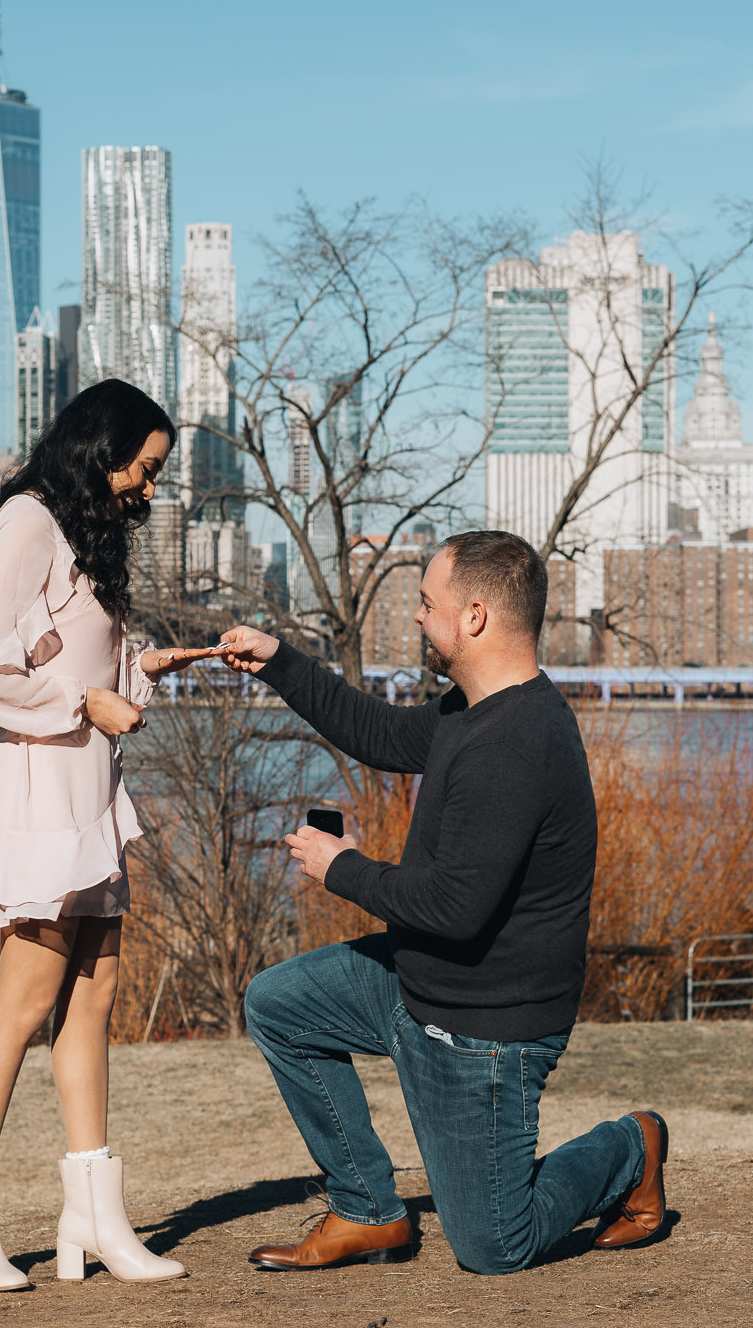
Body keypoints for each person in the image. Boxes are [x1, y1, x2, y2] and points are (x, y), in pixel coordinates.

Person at [215, 531, 667, 1276]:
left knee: (495, 1246)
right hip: (416, 983)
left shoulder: (518, 743)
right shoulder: (472, 709)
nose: (419, 619)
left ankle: (631, 1145)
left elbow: (455, 907)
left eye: (428, 605)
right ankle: (366, 1209)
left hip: (486, 1028)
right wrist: (281, 663)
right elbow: (381, 732)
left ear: (477, 616)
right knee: (279, 1004)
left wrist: (342, 868)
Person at [0, 378, 219, 1292]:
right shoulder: (26, 522)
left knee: (92, 999)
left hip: (91, 783)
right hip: (41, 785)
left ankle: (93, 1219)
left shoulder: (80, 531)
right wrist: (80, 701)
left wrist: (142, 665)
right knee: (22, 1004)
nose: (150, 486)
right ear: (105, 446)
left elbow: (73, 650)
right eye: (146, 466)